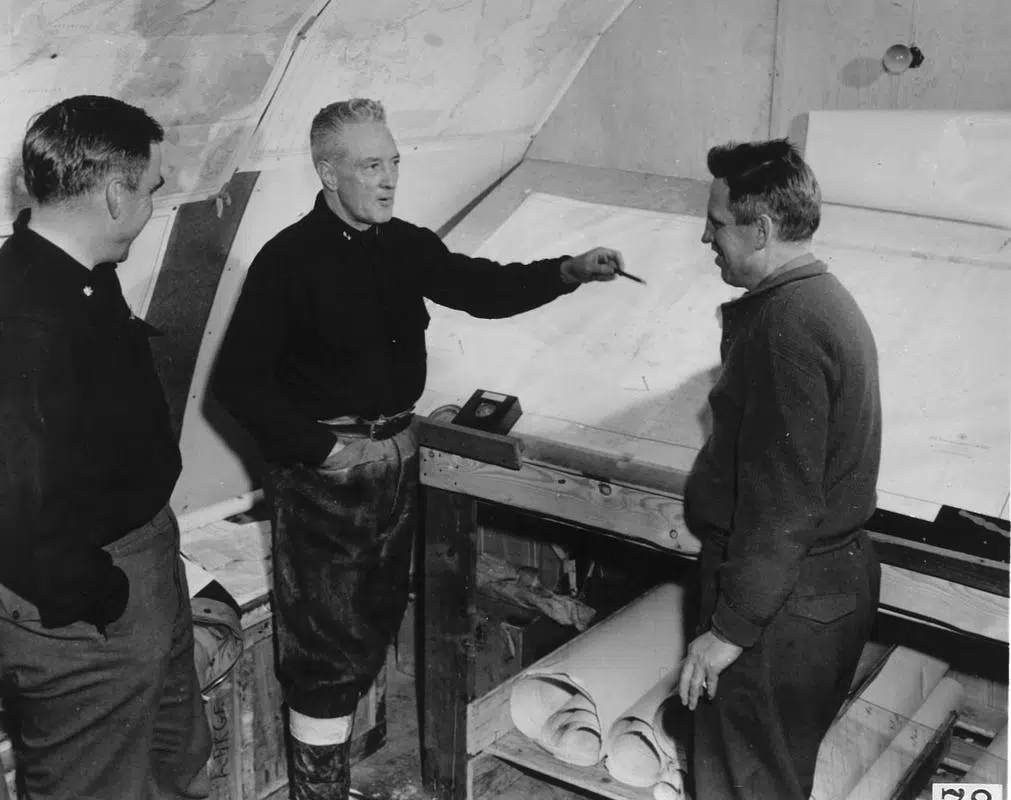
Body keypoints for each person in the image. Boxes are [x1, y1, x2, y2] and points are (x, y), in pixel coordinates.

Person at [213, 97, 625, 800]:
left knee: (370, 625)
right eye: (371, 166)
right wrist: (322, 451)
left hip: (397, 464)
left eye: (393, 163)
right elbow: (237, 383)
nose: (387, 179)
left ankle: (339, 777)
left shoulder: (402, 243)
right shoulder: (287, 260)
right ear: (328, 173)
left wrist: (566, 270)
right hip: (327, 482)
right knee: (321, 654)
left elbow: (481, 288)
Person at [0, 95, 211, 799]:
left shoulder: (84, 273)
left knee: (174, 765)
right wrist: (104, 597)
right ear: (117, 194)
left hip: (139, 563)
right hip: (88, 604)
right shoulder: (23, 315)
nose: (152, 208)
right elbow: (15, 512)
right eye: (151, 190)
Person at [676, 139, 882, 799]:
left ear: (759, 229)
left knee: (742, 785)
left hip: (779, 601)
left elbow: (782, 507)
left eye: (715, 221)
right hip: (815, 590)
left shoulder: (785, 327)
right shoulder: (817, 301)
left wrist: (727, 631)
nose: (705, 235)